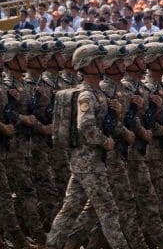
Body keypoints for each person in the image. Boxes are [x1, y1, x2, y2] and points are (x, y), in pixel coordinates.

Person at [46, 44, 130, 249]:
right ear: (86, 65)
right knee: (108, 209)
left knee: (71, 208)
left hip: (86, 161)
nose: (102, 64)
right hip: (89, 160)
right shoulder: (86, 95)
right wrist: (104, 141)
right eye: (97, 61)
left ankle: (54, 244)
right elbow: (85, 126)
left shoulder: (96, 92)